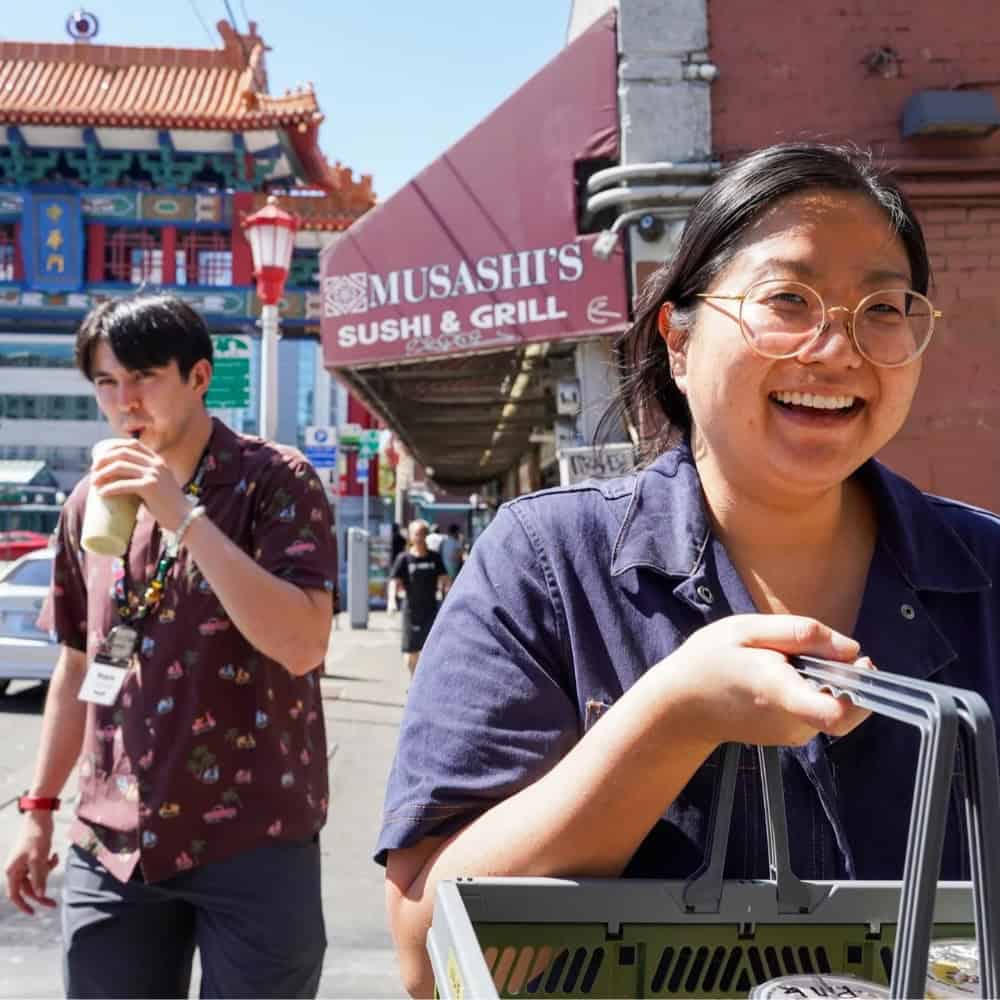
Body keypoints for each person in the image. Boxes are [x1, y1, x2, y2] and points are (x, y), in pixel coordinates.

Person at [375, 142, 1000, 997]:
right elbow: (425, 953)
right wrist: (670, 722)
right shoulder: (548, 566)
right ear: (678, 338)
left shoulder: (988, 574)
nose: (836, 348)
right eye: (788, 298)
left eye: (882, 308)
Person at [4, 295, 337, 999]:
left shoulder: (275, 482)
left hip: (254, 832)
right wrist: (39, 810)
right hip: (113, 840)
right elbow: (78, 663)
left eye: (144, 377)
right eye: (105, 382)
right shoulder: (85, 503)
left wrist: (183, 516)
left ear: (198, 377)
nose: (125, 401)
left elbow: (303, 643)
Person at [388, 519, 449, 676]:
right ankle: (414, 682)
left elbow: (445, 579)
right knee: (410, 654)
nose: (420, 537)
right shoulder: (404, 559)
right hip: (411, 611)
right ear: (410, 536)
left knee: (431, 650)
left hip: (431, 610)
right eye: (417, 534)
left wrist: (448, 597)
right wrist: (391, 601)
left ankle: (424, 684)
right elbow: (394, 582)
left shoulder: (434, 558)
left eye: (423, 534)